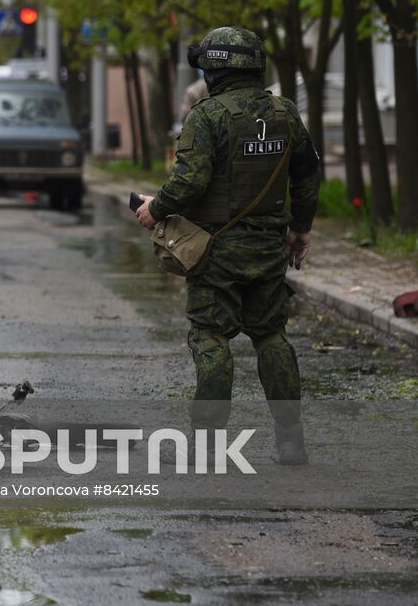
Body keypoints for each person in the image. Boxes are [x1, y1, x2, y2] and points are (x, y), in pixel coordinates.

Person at [133, 27, 321, 464]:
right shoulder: (285, 112)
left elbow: (190, 181)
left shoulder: (208, 115)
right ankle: (291, 440)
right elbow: (308, 175)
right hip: (268, 248)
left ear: (214, 69)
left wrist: (155, 209)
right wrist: (301, 228)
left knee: (211, 337)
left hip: (214, 251)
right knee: (272, 336)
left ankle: (207, 446)